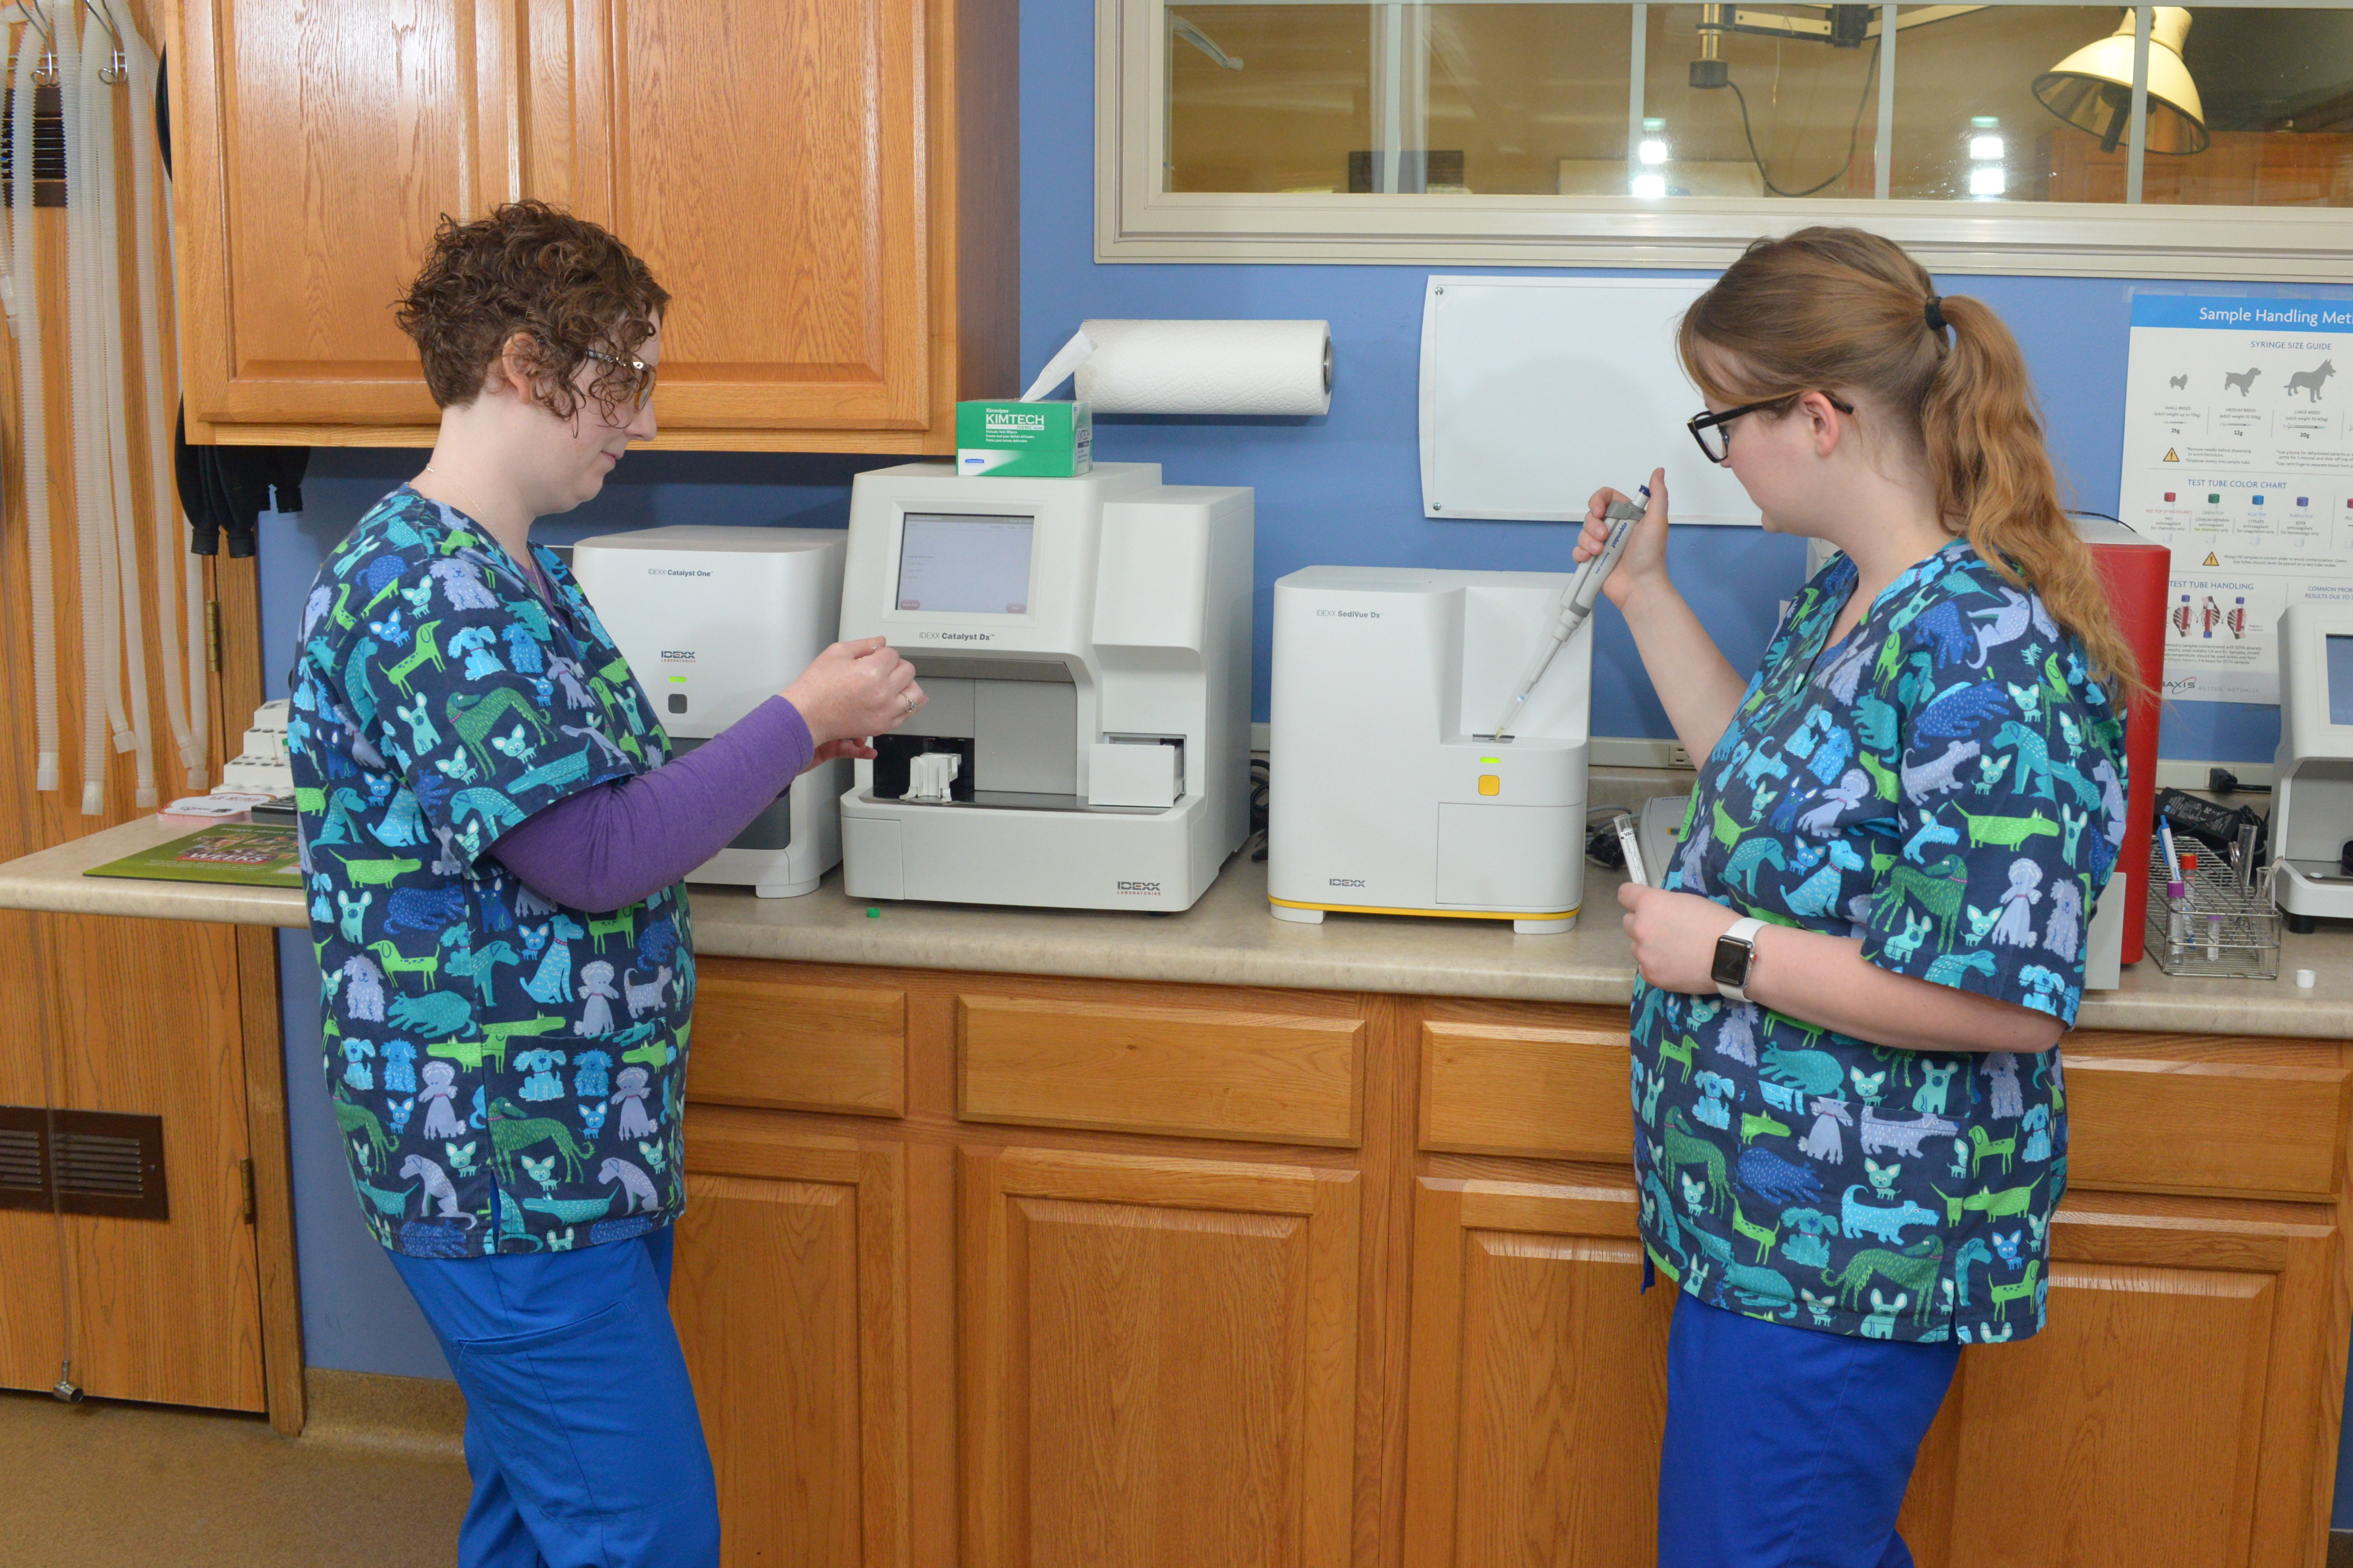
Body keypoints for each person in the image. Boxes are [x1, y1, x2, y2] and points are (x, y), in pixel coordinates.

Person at [287, 200, 926, 1567]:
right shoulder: (425, 593)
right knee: (640, 1534)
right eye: (621, 378)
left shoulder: (523, 572)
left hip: (580, 1145)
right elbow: (588, 860)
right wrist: (793, 721)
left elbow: (589, 798)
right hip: (504, 1171)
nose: (636, 419)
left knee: (538, 1515)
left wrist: (784, 738)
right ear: (526, 365)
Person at [1577, 226, 2135, 1568]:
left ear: (1816, 418)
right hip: (1764, 1229)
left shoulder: (1983, 648)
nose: (1721, 450)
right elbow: (1766, 782)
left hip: (1838, 1256)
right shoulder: (1850, 598)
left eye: (1724, 419)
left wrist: (1725, 951)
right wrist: (1643, 594)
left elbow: (2003, 1007)